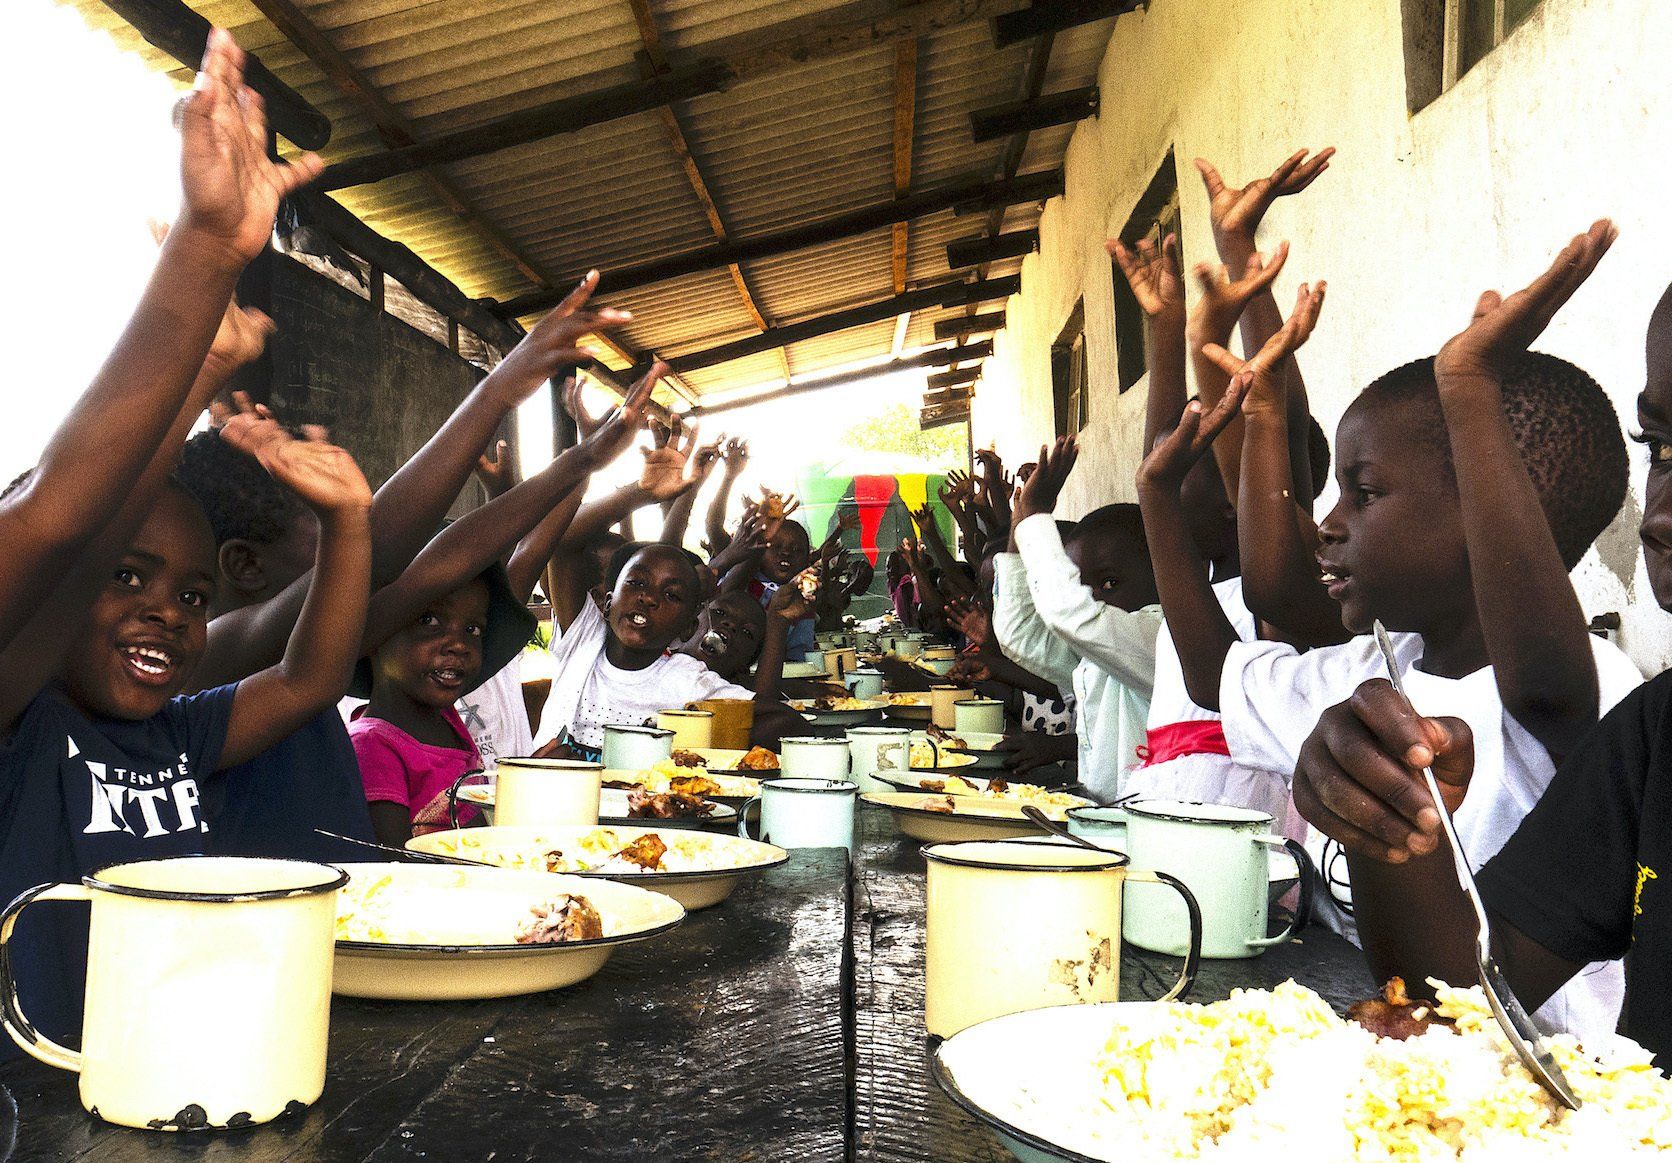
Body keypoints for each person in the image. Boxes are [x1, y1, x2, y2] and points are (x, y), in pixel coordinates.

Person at [1183, 221, 1637, 1044]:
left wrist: (1466, 388)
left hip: (1566, 1100)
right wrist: (1261, 407)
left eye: (1364, 492)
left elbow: (1544, 685)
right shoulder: (1381, 664)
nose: (1331, 522)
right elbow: (1271, 590)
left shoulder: (1592, 686)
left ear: (1491, 512)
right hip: (1426, 1066)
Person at [1286, 270, 1672, 1068]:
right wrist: (1386, 820)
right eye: (1662, 449)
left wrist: (1469, 395)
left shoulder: (1590, 685)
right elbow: (1451, 996)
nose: (1660, 514)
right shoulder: (1653, 739)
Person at [532, 543, 806, 759]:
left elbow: (788, 722)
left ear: (688, 628)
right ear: (607, 604)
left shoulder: (688, 680)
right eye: (637, 583)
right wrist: (639, 492)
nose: (649, 598)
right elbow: (565, 547)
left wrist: (692, 743)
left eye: (671, 595)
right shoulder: (582, 643)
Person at [993, 460, 1162, 801]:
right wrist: (1018, 523)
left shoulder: (1161, 641)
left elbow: (1071, 614)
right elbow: (1019, 633)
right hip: (1103, 826)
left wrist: (1034, 519)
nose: (1092, 598)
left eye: (1109, 583)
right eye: (1080, 586)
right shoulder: (1095, 655)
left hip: (1151, 837)